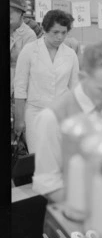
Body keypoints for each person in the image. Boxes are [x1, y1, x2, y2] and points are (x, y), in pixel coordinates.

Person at [32, 41, 102, 203]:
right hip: (71, 215)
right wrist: (94, 208)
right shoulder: (52, 117)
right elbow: (48, 182)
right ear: (82, 78)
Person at [14, 9, 79, 153]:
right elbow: (20, 87)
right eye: (55, 32)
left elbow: (75, 89)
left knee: (58, 157)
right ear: (44, 29)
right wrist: (19, 119)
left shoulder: (70, 54)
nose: (60, 37)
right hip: (35, 112)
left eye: (64, 32)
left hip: (62, 114)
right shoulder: (29, 50)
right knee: (37, 158)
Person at [10, 0, 37, 95]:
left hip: (17, 87)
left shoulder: (29, 35)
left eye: (10, 12)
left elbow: (27, 68)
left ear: (21, 13)